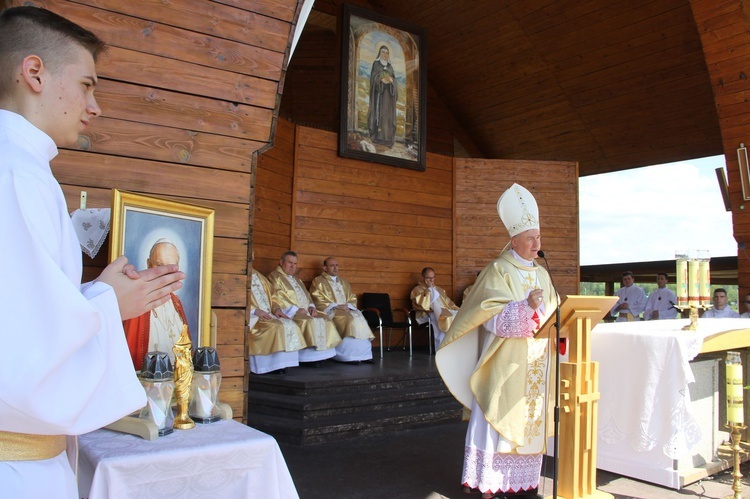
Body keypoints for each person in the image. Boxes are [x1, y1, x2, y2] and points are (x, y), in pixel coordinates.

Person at [0, 7, 185, 498]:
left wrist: (97, 295)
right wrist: (108, 302)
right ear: (34, 72)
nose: (95, 105)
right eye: (87, 85)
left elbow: (19, 311)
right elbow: (16, 352)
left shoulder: (21, 166)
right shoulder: (15, 173)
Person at [436, 183, 557, 498]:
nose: (536, 243)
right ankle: (488, 480)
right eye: (530, 238)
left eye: (538, 238)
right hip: (503, 359)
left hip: (535, 360)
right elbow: (486, 315)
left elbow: (555, 311)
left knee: (528, 418)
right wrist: (524, 308)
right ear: (514, 240)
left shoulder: (544, 274)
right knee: (496, 413)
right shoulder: (497, 270)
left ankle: (524, 479)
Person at [123, 239, 189, 370]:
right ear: (148, 263)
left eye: (170, 267)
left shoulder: (176, 303)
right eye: (159, 265)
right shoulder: (136, 300)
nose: (164, 272)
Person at [266, 251, 341, 364]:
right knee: (309, 322)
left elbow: (307, 295)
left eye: (295, 263)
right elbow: (277, 296)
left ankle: (322, 356)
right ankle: (308, 358)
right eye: (290, 263)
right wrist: (296, 310)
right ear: (281, 262)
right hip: (290, 312)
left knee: (326, 319)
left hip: (305, 311)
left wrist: (311, 307)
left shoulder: (297, 279)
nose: (293, 266)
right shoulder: (274, 277)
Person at [248, 252, 306, 374]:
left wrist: (277, 310)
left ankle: (282, 364)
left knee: (289, 324)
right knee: (276, 326)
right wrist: (254, 310)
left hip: (269, 314)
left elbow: (273, 296)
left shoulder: (260, 277)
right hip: (252, 316)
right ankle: (267, 366)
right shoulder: (238, 276)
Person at [310, 257, 374, 363]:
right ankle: (348, 355)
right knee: (349, 319)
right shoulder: (318, 282)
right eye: (332, 266)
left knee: (359, 317)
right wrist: (337, 306)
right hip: (331, 311)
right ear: (325, 268)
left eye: (337, 265)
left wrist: (348, 306)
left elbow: (352, 297)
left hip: (347, 309)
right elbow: (317, 298)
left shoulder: (343, 282)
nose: (335, 268)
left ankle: (364, 355)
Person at [411, 267, 459, 351]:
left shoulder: (439, 289)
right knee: (439, 321)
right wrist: (429, 290)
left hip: (443, 311)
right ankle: (441, 349)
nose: (431, 280)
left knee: (456, 315)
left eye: (433, 277)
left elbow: (448, 303)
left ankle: (452, 347)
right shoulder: (417, 289)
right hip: (426, 313)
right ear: (423, 277)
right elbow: (421, 305)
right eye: (428, 278)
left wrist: (457, 309)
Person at [366, 44, 398, 147]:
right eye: (383, 52)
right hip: (379, 96)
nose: (385, 54)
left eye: (387, 53)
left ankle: (387, 139)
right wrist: (380, 80)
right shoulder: (376, 64)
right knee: (379, 115)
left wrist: (392, 81)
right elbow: (373, 78)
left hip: (388, 97)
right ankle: (377, 137)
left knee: (387, 116)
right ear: (380, 53)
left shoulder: (390, 66)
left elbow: (395, 81)